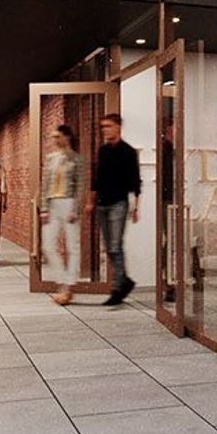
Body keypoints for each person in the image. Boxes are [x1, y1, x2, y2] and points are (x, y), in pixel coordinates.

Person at [94, 113, 140, 306]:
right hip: (102, 203)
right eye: (103, 127)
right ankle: (125, 281)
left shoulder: (128, 152)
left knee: (115, 245)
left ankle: (117, 288)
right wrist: (91, 201)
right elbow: (97, 178)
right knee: (110, 247)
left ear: (119, 127)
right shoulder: (103, 150)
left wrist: (135, 207)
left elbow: (135, 182)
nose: (106, 130)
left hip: (119, 204)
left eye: (109, 126)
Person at [41, 123, 86, 307]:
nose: (54, 140)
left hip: (69, 203)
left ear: (66, 137)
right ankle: (62, 280)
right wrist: (44, 208)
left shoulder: (77, 159)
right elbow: (45, 185)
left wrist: (76, 208)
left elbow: (80, 186)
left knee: (72, 246)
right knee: (48, 245)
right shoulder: (51, 158)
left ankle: (67, 288)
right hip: (52, 203)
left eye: (57, 137)